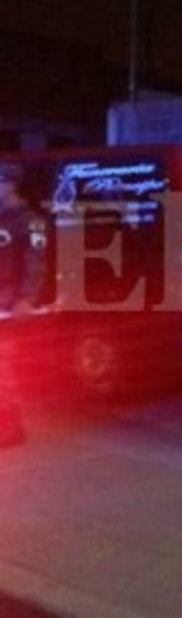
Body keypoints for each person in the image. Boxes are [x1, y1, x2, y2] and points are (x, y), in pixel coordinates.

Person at [0, 163, 44, 448]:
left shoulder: (32, 222)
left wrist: (27, 298)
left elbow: (36, 262)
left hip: (9, 304)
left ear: (11, 185)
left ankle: (10, 427)